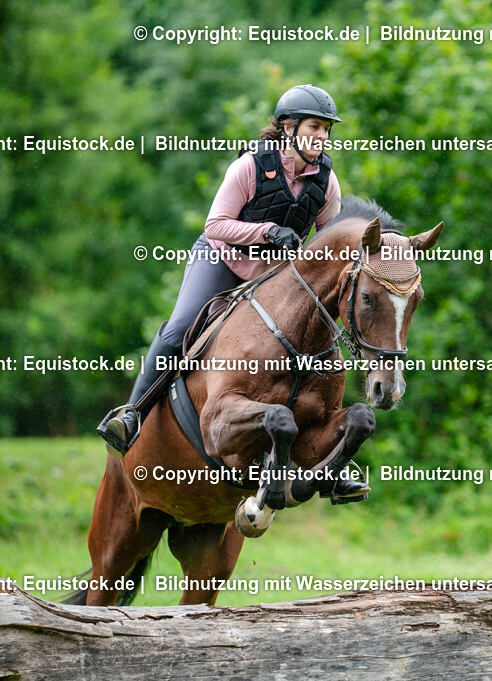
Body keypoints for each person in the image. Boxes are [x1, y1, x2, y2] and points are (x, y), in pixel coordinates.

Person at [98, 85, 365, 499]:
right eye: (315, 127)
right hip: (223, 261)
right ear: (288, 127)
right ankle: (131, 415)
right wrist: (266, 231)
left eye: (327, 130)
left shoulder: (326, 182)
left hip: (275, 278)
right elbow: (216, 225)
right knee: (180, 327)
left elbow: (326, 242)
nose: (322, 138)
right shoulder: (249, 167)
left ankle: (327, 463)